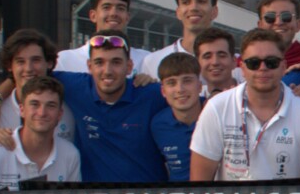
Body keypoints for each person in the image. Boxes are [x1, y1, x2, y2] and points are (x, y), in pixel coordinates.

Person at [190, 29, 300, 181]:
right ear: (242, 68)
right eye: (253, 63)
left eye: (271, 62)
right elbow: (199, 184)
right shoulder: (216, 108)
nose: (263, 68)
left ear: (283, 66)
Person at [47, 33, 169, 182]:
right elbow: (32, 73)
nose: (107, 71)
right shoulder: (77, 87)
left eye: (116, 62)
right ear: (89, 66)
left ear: (129, 67)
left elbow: (191, 104)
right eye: (99, 62)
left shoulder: (152, 93)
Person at [0, 27, 75, 143]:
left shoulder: (69, 106)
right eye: (20, 61)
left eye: (36, 60)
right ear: (10, 66)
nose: (28, 68)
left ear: (49, 63)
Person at [56, 0, 151, 72]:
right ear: (93, 16)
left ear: (127, 17)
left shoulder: (145, 60)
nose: (114, 13)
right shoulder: (65, 61)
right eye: (106, 7)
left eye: (120, 8)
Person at [138, 0, 218, 78]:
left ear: (214, 11)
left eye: (201, 1)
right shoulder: (152, 62)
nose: (193, 7)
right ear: (178, 12)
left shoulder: (231, 64)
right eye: (186, 2)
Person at [150, 51, 203, 181]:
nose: (180, 89)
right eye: (171, 83)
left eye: (187, 80)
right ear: (163, 91)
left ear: (200, 86)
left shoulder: (216, 115)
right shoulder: (158, 125)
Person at [256, 0, 300, 68]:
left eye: (286, 16)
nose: (278, 22)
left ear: (298, 25)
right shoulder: (245, 62)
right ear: (260, 25)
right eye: (270, 17)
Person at [193, 27, 238, 95]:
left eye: (222, 55)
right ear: (197, 64)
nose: (215, 62)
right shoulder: (193, 98)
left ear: (234, 61)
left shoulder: (249, 96)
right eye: (207, 57)